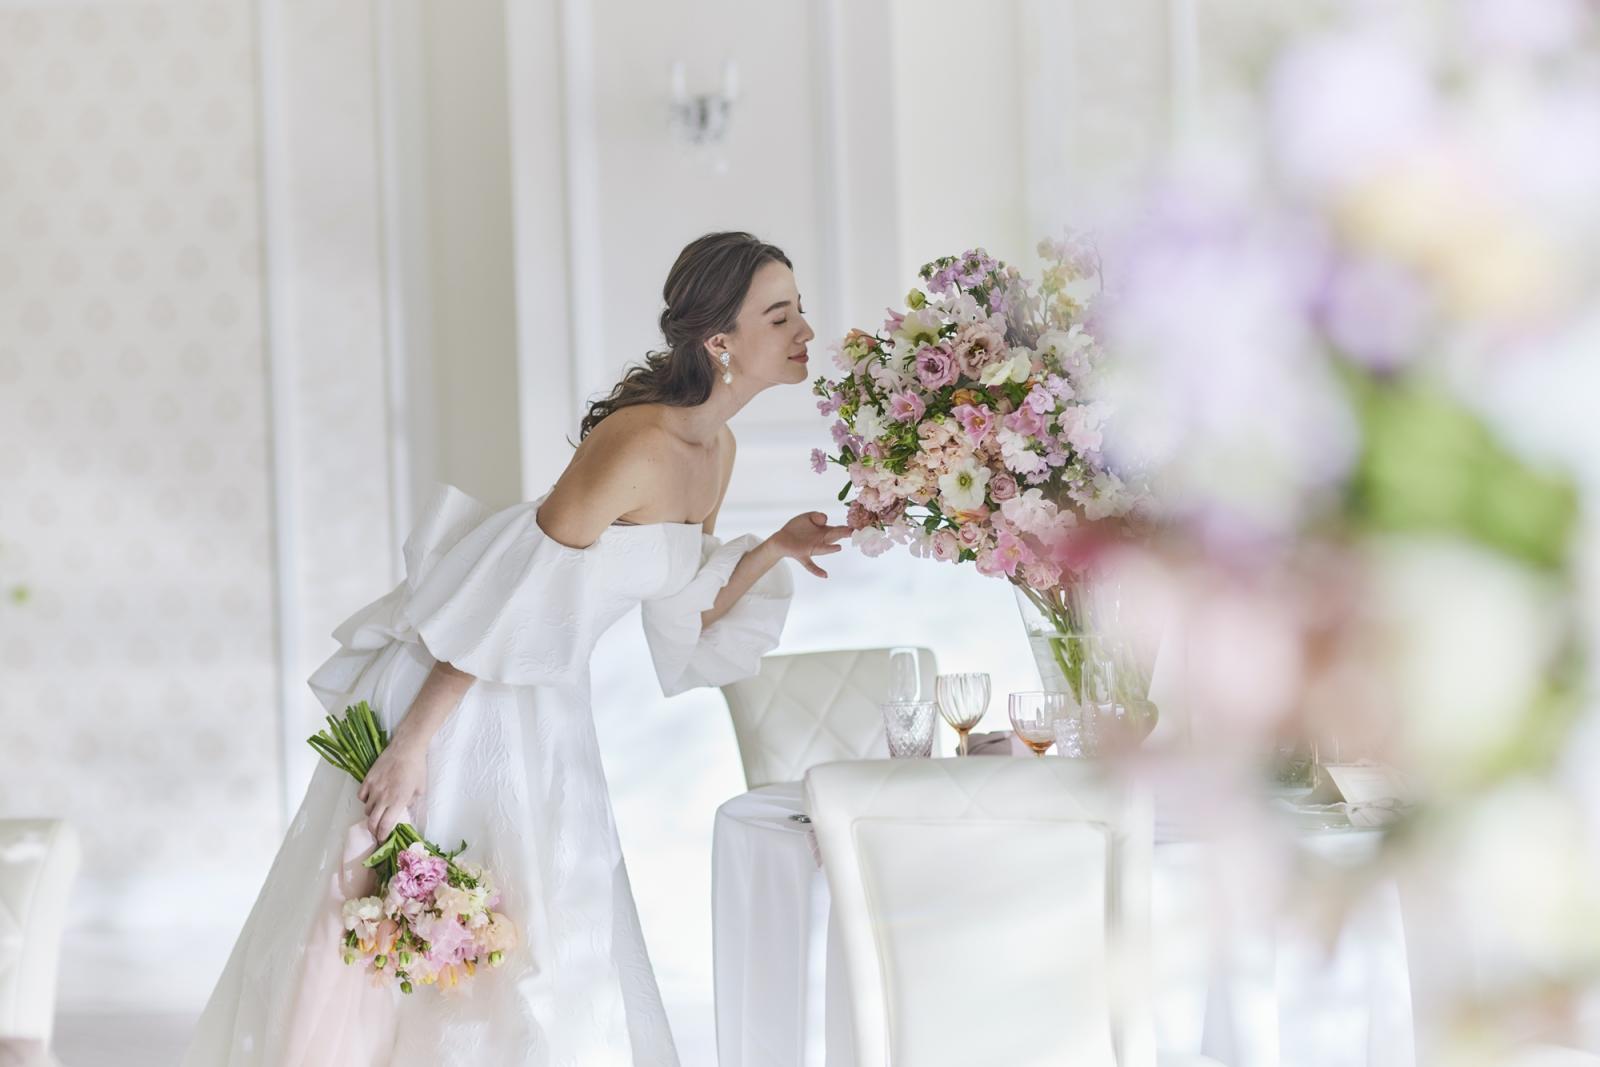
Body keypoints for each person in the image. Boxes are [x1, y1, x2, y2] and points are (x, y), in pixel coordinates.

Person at [181, 231, 851, 1066]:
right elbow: (511, 596)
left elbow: (686, 611)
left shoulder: (716, 451)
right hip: (465, 699)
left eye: (798, 311)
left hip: (546, 700)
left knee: (545, 930)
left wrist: (775, 548)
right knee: (433, 942)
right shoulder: (637, 443)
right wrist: (411, 744)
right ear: (721, 340)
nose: (805, 330)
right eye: (779, 316)